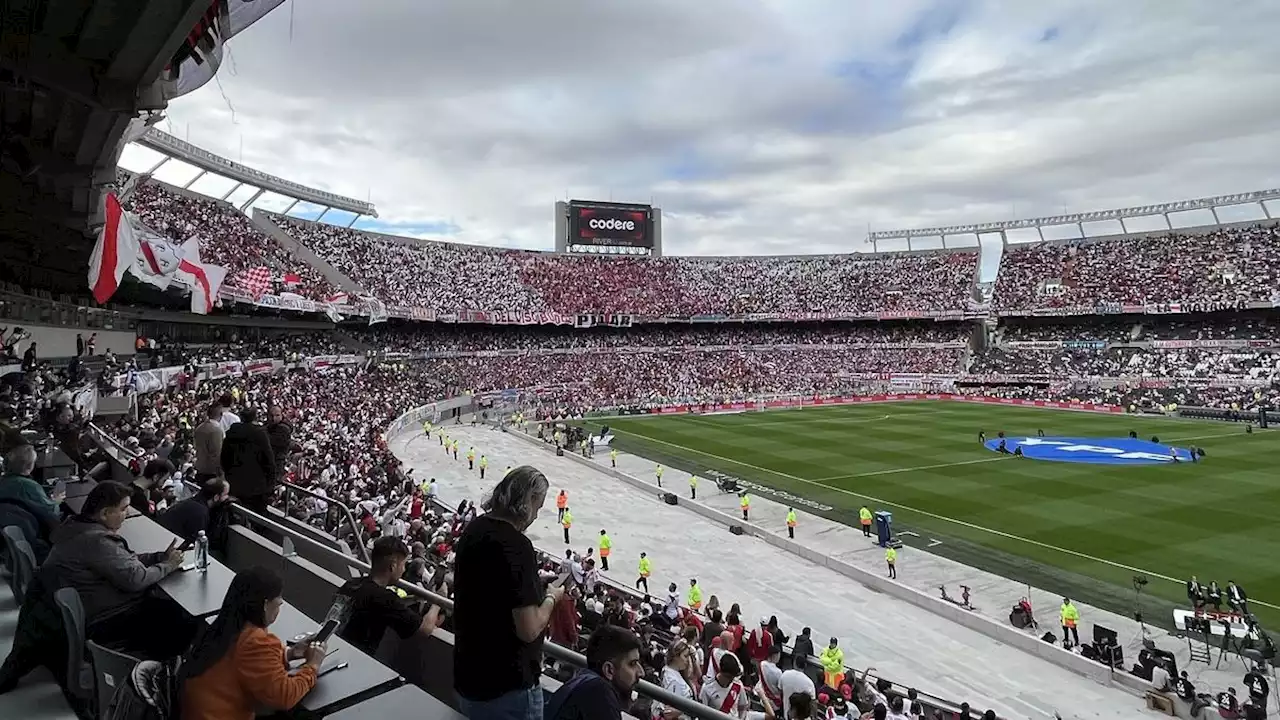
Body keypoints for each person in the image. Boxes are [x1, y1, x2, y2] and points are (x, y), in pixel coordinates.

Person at [0, 481, 188, 693]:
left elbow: (122, 561)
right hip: (103, 618)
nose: (127, 514)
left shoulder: (75, 527)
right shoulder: (96, 541)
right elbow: (136, 579)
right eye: (124, 509)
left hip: (83, 607)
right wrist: (169, 564)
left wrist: (157, 557)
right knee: (177, 619)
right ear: (105, 513)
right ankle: (155, 684)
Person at [453, 466, 563, 719]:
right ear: (528, 501)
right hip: (506, 687)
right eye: (538, 507)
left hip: (469, 675)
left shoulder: (475, 528)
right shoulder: (516, 545)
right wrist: (551, 598)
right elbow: (528, 629)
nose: (536, 515)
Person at [180, 566, 326, 720]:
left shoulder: (224, 627)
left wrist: (289, 653)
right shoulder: (256, 642)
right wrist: (312, 666)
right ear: (264, 604)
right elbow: (285, 696)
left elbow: (244, 663)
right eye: (278, 600)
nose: (281, 603)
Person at [335, 536, 441, 656]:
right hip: (354, 661)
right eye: (403, 564)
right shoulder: (384, 598)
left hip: (335, 647)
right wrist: (438, 601)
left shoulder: (352, 583)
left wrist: (414, 599)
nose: (403, 569)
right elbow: (424, 630)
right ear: (393, 566)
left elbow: (382, 606)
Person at [544, 625, 643, 720]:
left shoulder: (584, 682)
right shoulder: (600, 695)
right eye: (632, 664)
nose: (641, 673)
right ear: (609, 670)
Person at [0, 443, 62, 561]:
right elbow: (50, 512)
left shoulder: (3, 480)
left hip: (8, 537)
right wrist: (56, 502)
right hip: (31, 538)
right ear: (29, 466)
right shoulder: (27, 486)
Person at [221, 407, 277, 516]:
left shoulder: (231, 433)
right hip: (256, 487)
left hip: (234, 483)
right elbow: (269, 460)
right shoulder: (260, 434)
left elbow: (224, 458)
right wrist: (270, 483)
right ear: (254, 417)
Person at [158, 476, 230, 542]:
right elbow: (194, 542)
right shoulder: (201, 513)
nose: (227, 498)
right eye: (226, 495)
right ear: (216, 497)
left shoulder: (190, 503)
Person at [654, 639, 697, 720]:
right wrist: (683, 711)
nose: (688, 660)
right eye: (685, 656)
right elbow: (668, 712)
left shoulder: (669, 670)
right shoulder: (671, 680)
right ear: (675, 656)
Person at [700, 651, 750, 717]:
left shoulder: (738, 685)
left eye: (733, 677)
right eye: (728, 677)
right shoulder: (707, 688)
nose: (731, 680)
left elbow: (743, 707)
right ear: (720, 670)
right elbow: (702, 714)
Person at [193, 402, 226, 482]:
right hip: (211, 472)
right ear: (221, 415)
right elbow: (216, 453)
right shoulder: (216, 431)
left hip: (200, 467)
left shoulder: (199, 428)